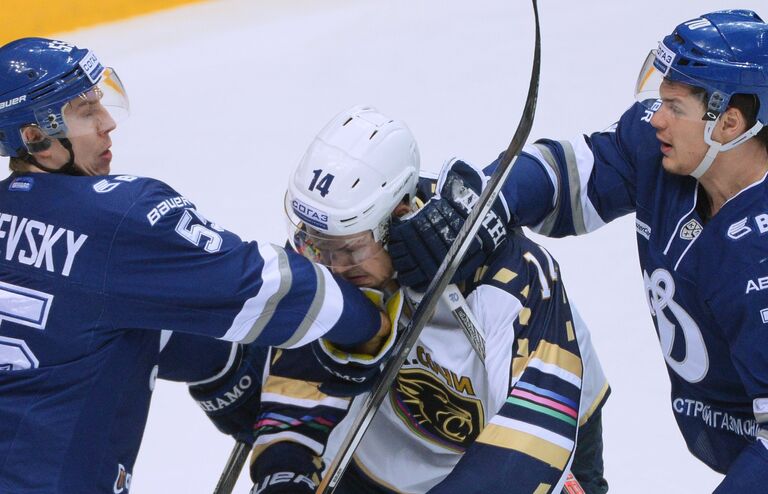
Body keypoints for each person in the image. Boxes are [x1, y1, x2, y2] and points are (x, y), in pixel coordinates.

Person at [388, 9, 768, 493]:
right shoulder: (660, 152)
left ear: (729, 123)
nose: (657, 117)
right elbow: (569, 177)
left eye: (674, 105)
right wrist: (479, 207)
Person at [0, 38, 393, 493]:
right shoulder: (118, 219)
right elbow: (273, 287)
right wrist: (368, 328)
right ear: (36, 138)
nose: (108, 123)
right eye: (86, 111)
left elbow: (78, 324)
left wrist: (223, 370)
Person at [247, 105, 610, 494]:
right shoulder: (328, 241)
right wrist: (285, 468)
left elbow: (532, 443)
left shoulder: (513, 276)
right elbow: (303, 377)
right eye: (316, 247)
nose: (332, 268)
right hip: (374, 461)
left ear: (399, 215)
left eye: (349, 251)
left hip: (537, 449)